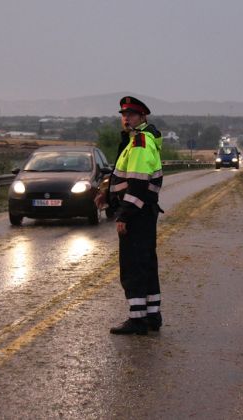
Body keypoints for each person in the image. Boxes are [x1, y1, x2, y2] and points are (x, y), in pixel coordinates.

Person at [96, 96, 164, 335]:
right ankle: (152, 315)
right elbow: (121, 175)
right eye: (124, 115)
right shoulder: (136, 139)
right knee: (146, 263)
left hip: (138, 213)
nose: (126, 118)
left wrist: (124, 215)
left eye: (132, 115)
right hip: (144, 212)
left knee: (133, 266)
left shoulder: (140, 143)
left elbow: (137, 184)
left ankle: (137, 320)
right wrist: (106, 192)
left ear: (142, 117)